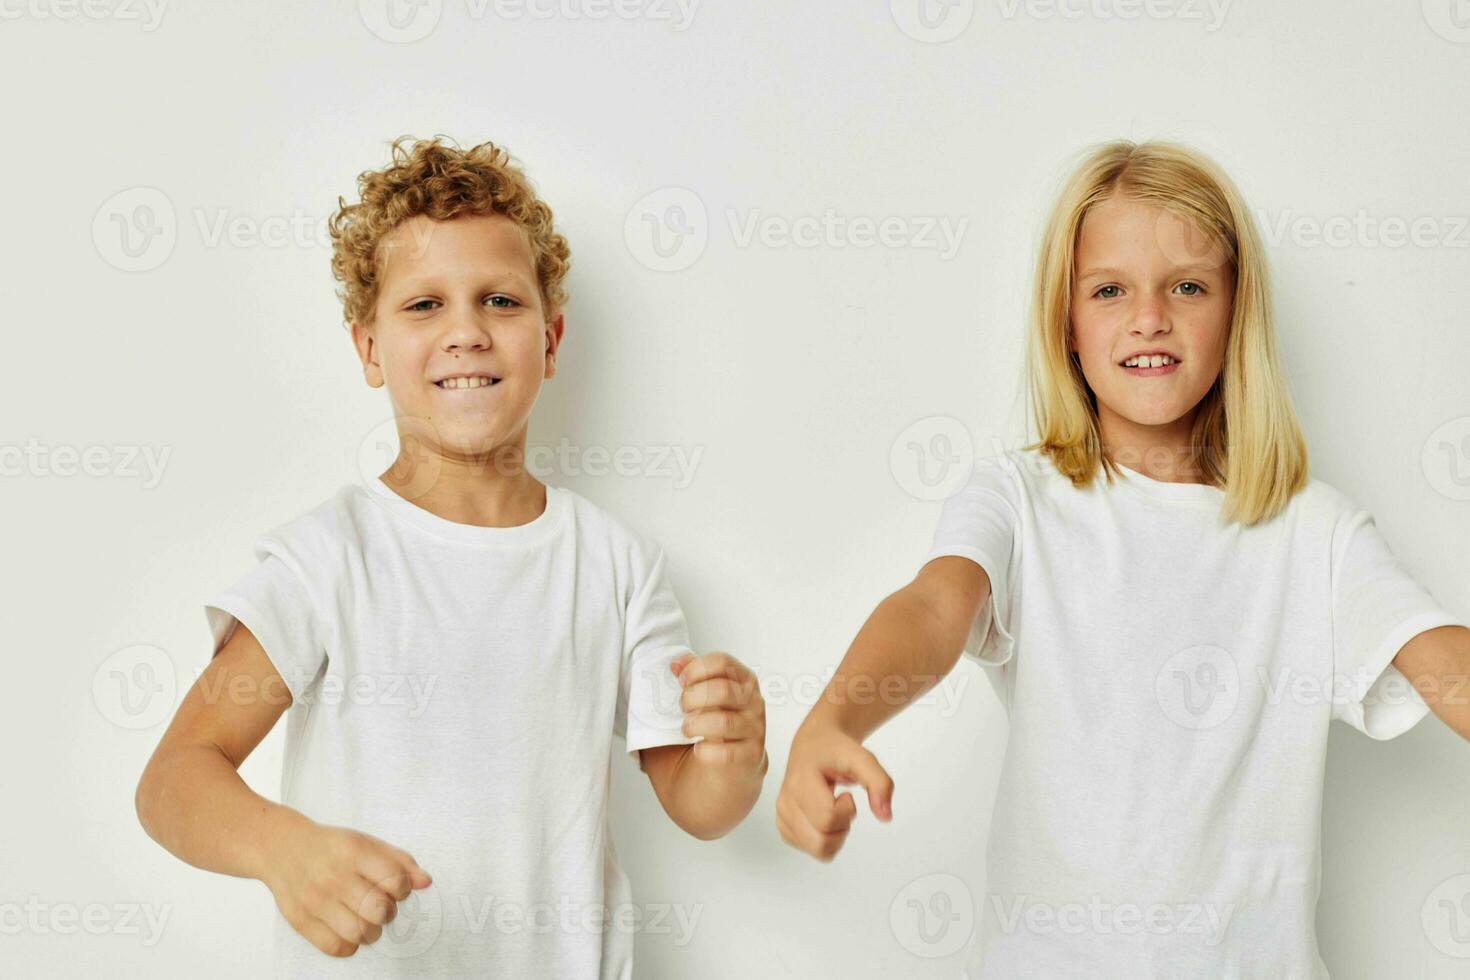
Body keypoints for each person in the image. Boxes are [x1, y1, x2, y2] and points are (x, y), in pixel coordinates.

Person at [776, 139, 1470, 978]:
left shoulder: (1312, 532)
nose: (1151, 316)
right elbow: (931, 608)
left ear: (1235, 312)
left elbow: (1445, 664)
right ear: (1065, 324)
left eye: (1188, 285)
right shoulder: (1020, 499)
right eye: (1110, 290)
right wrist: (834, 719)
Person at [134, 135, 767, 978]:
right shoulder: (327, 560)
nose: (466, 332)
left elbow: (697, 804)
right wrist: (281, 849)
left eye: (501, 301)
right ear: (367, 348)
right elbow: (175, 776)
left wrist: (734, 756)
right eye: (424, 305)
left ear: (551, 340)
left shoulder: (614, 565)